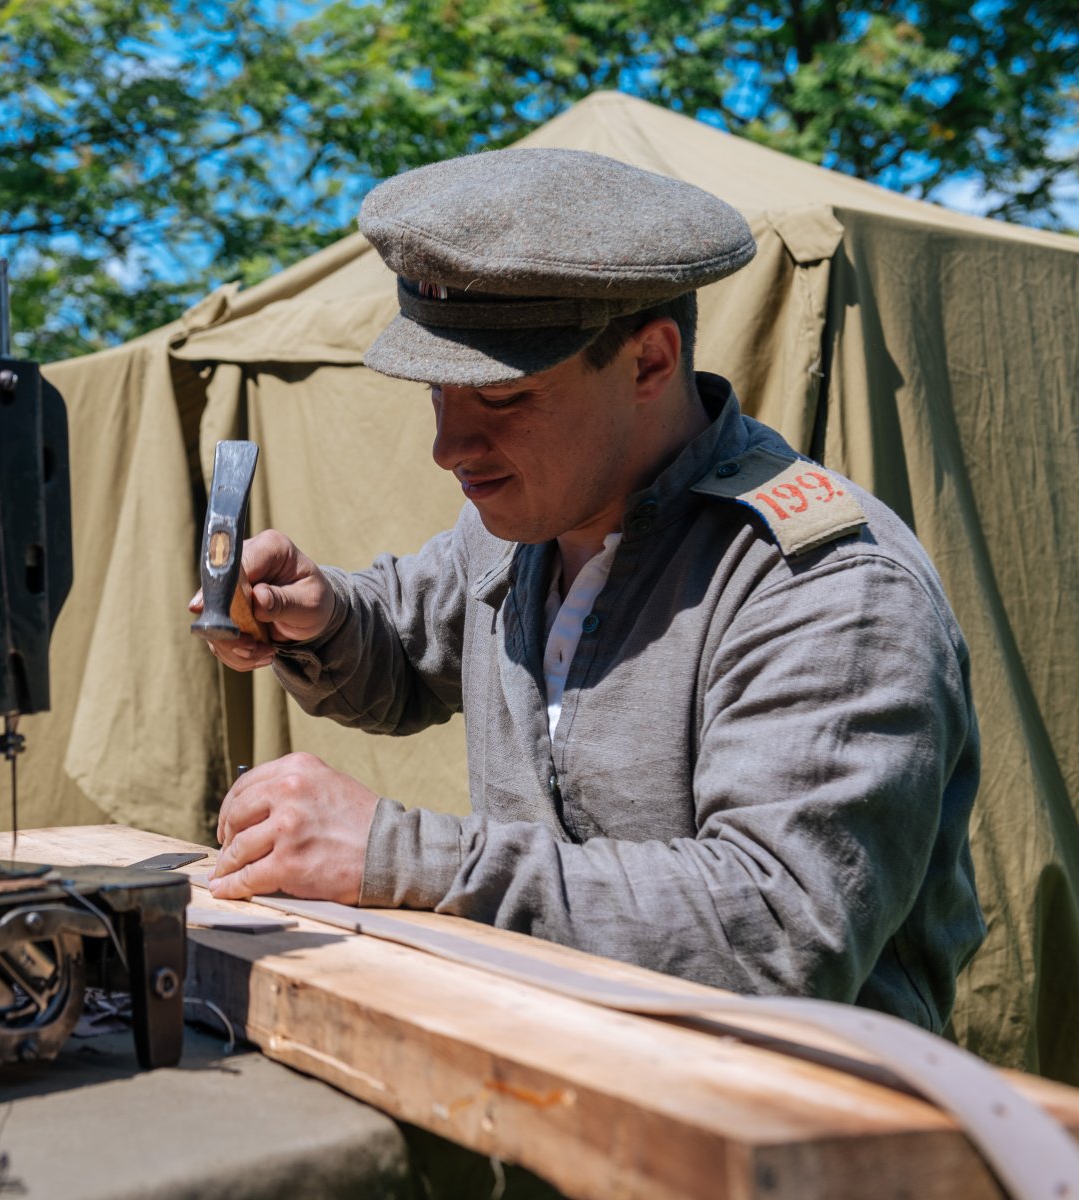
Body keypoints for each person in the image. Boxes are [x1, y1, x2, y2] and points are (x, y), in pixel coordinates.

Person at [193, 148, 985, 1031]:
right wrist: (322, 617)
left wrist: (397, 855)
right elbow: (413, 646)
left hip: (791, 1140)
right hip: (559, 1083)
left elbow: (774, 933)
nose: (449, 448)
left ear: (650, 359)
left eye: (502, 395)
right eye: (437, 396)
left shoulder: (824, 585)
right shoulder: (530, 521)